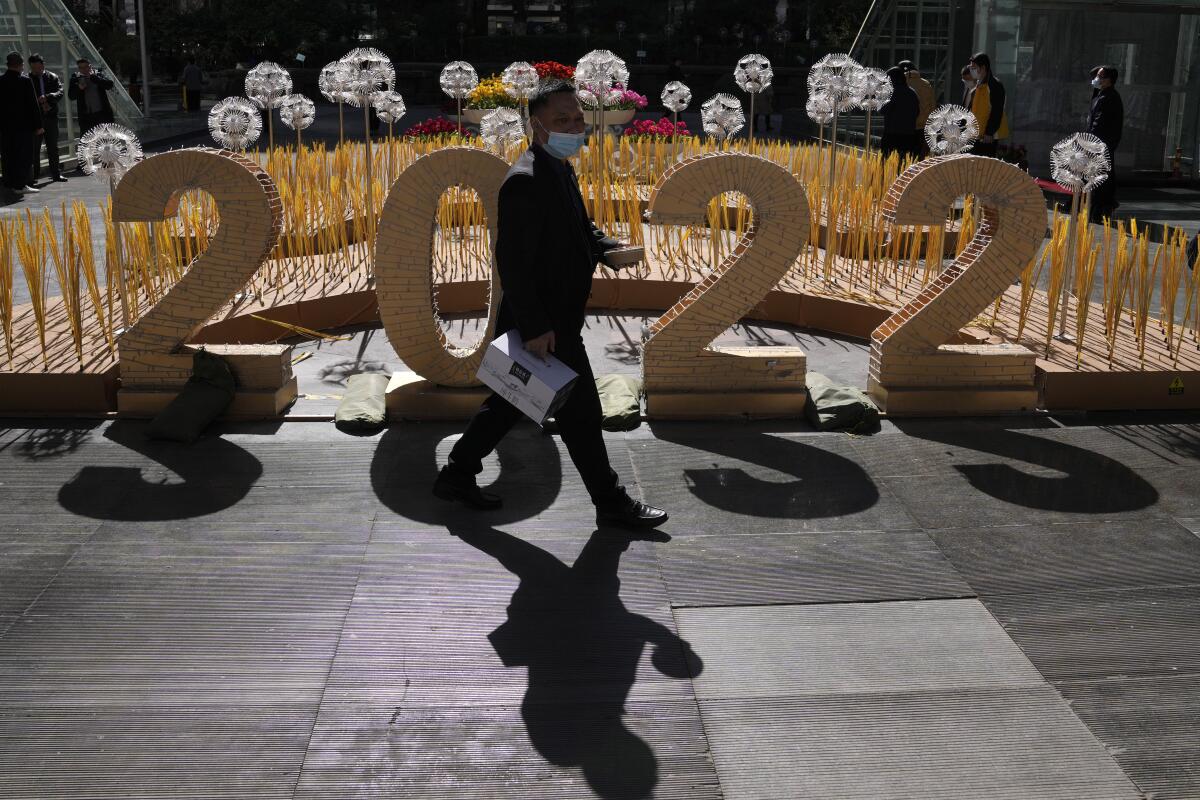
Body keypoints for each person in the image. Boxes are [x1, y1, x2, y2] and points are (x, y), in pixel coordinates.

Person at [432, 79, 669, 530]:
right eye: (562, 120)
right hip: (543, 324)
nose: (574, 127)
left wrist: (606, 247)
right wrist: (538, 327)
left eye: (578, 118)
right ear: (535, 126)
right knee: (582, 415)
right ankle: (612, 503)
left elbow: (580, 227)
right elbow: (513, 264)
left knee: (507, 401)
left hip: (556, 319)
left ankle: (457, 474)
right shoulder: (525, 180)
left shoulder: (559, 167)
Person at [0, 52, 43, 198]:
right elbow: (33, 105)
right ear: (20, 65)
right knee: (24, 156)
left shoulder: (1, 80)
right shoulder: (24, 81)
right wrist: (38, 125)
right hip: (23, 127)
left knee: (8, 155)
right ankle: (19, 185)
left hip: (5, 128)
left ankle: (9, 182)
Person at [1087, 64, 1124, 221]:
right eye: (1097, 76)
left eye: (1101, 76)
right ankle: (1101, 206)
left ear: (1110, 80)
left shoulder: (1109, 98)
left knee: (1101, 178)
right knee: (1100, 177)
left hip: (1101, 144)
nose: (1097, 78)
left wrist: (1089, 142)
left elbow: (1099, 124)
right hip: (1100, 144)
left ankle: (1102, 207)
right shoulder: (1101, 94)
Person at [28, 54, 66, 183]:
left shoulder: (52, 77)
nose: (36, 71)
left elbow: (60, 92)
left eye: (38, 67)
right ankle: (34, 176)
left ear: (43, 65)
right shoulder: (28, 79)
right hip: (35, 118)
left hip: (50, 117)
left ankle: (56, 174)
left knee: (53, 147)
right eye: (33, 68)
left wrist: (48, 96)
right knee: (34, 149)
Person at [966, 52, 1008, 157]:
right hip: (976, 136)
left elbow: (996, 111)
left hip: (987, 138)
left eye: (974, 67)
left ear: (983, 67)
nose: (972, 70)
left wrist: (989, 132)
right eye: (971, 67)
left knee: (985, 169)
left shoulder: (994, 86)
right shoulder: (977, 86)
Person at [879, 65, 920, 160]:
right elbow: (917, 112)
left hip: (891, 134)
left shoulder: (891, 93)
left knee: (885, 162)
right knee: (904, 163)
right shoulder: (912, 93)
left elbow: (883, 110)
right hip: (908, 134)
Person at [68, 57, 115, 137]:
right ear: (78, 68)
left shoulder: (97, 74)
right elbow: (71, 96)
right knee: (87, 143)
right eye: (81, 68)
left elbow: (109, 85)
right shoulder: (75, 77)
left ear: (90, 66)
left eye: (86, 67)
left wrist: (94, 78)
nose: (84, 70)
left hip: (102, 115)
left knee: (105, 141)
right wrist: (79, 88)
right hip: (86, 117)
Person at [897, 60, 934, 132]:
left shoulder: (901, 84)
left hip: (905, 124)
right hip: (923, 125)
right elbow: (932, 105)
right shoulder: (926, 83)